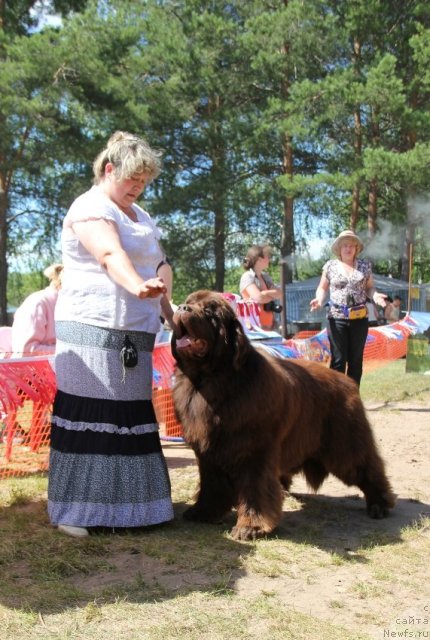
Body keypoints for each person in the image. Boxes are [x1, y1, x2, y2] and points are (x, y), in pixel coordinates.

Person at [48, 131, 175, 537]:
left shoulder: (143, 217)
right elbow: (108, 254)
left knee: (129, 417)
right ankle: (74, 512)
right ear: (109, 170)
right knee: (92, 414)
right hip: (91, 324)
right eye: (131, 180)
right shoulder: (89, 207)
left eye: (144, 182)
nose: (137, 188)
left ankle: (133, 509)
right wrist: (137, 286)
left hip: (136, 331)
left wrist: (166, 304)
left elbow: (161, 263)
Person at [310, 230, 387, 386]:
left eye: (352, 245)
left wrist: (376, 296)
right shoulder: (330, 266)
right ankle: (336, 401)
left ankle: (353, 400)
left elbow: (370, 288)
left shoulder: (365, 266)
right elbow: (322, 288)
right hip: (336, 318)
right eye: (345, 245)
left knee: (356, 361)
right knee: (338, 360)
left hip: (359, 319)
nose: (348, 248)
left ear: (356, 248)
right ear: (339, 248)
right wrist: (318, 299)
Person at [11, 263, 64, 355]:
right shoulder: (38, 303)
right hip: (31, 368)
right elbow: (27, 350)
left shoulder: (66, 306)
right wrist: (69, 352)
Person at [239, 244, 282, 330]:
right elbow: (258, 298)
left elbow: (280, 294)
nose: (269, 259)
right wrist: (269, 295)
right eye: (267, 257)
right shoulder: (247, 276)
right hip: (254, 328)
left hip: (270, 327)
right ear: (259, 260)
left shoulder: (266, 277)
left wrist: (264, 293)